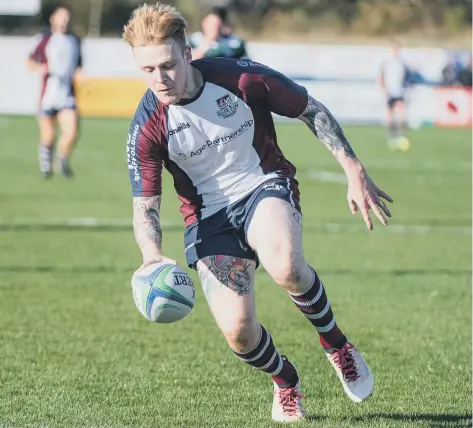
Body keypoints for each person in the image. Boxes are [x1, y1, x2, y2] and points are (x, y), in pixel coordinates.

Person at [123, 3, 393, 423]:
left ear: (187, 53)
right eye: (147, 70)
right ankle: (286, 381)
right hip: (208, 218)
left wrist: (352, 168)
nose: (158, 79)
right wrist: (151, 255)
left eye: (167, 65)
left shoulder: (240, 78)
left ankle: (337, 345)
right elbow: (145, 206)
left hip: (262, 183)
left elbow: (311, 109)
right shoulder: (147, 126)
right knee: (239, 332)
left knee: (286, 266)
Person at [27, 6, 82, 178]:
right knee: (48, 135)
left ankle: (61, 160)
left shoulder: (75, 40)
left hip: (67, 95)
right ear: (53, 19)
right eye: (62, 17)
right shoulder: (46, 39)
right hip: (48, 96)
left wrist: (81, 75)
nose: (65, 21)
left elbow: (79, 65)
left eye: (67, 17)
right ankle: (46, 167)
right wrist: (41, 68)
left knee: (72, 131)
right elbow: (30, 61)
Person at [379, 41, 410, 151]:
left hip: (400, 91)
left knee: (401, 112)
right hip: (390, 91)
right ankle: (391, 135)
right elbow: (381, 77)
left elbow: (406, 77)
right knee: (390, 113)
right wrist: (384, 89)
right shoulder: (386, 62)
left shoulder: (401, 63)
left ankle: (401, 135)